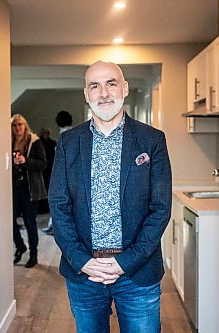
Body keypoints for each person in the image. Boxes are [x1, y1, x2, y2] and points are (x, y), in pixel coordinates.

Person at [48, 61, 172, 332]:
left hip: (137, 273)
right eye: (95, 85)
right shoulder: (68, 143)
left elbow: (160, 208)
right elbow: (59, 206)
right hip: (84, 273)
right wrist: (83, 261)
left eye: (111, 83)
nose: (103, 93)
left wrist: (124, 263)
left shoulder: (152, 140)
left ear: (124, 88)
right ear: (86, 94)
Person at [11, 114, 47, 268]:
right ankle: (20, 246)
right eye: (14, 125)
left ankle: (33, 254)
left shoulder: (34, 142)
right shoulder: (8, 142)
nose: (18, 128)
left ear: (25, 126)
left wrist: (26, 161)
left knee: (29, 221)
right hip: (13, 187)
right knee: (9, 221)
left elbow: (43, 164)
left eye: (20, 124)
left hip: (30, 188)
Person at [41, 110, 73, 236]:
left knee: (58, 199)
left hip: (65, 172)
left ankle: (54, 226)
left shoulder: (65, 135)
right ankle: (53, 225)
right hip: (70, 172)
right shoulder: (73, 132)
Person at [37, 127, 56, 214]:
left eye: (47, 133)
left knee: (48, 187)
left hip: (50, 168)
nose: (46, 135)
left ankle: (46, 208)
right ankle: (41, 208)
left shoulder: (52, 143)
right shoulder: (38, 143)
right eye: (45, 133)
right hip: (42, 169)